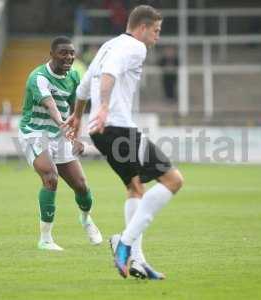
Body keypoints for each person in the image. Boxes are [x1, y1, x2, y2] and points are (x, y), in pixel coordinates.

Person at [66, 5, 184, 279]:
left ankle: (138, 260)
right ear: (141, 28)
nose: (157, 38)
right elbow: (108, 75)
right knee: (173, 180)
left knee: (135, 188)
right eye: (155, 31)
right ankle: (125, 243)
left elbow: (84, 86)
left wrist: (77, 117)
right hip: (117, 127)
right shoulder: (135, 47)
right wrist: (105, 106)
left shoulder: (109, 45)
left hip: (102, 130)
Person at [18, 36, 103, 251]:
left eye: (72, 53)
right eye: (64, 53)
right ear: (52, 54)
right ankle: (45, 239)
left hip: (60, 134)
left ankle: (86, 219)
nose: (69, 57)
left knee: (82, 187)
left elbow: (76, 112)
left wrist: (77, 138)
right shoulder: (38, 77)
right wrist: (64, 126)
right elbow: (51, 107)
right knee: (50, 177)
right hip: (34, 133)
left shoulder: (74, 77)